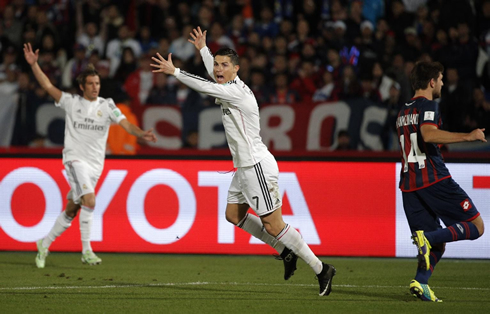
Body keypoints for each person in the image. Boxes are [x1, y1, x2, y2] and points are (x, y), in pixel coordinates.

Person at [151, 27, 336, 297]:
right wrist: (204, 50)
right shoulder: (229, 86)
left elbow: (205, 86)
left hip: (256, 166)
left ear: (237, 70)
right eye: (216, 64)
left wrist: (175, 72)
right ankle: (285, 251)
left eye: (225, 65)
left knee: (274, 225)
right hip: (244, 167)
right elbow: (213, 77)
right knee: (233, 215)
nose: (218, 69)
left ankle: (322, 269)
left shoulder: (236, 93)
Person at [23, 43, 157, 268]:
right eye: (91, 84)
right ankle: (86, 250)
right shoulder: (71, 102)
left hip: (95, 166)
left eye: (98, 83)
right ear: (82, 86)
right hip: (75, 160)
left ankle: (43, 244)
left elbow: (125, 124)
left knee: (72, 209)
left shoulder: (107, 106)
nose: (95, 87)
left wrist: (142, 133)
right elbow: (47, 85)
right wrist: (34, 65)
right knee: (90, 200)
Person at [396, 61, 486, 302]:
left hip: (409, 187)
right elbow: (428, 134)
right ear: (432, 81)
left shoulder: (403, 111)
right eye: (441, 78)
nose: (443, 83)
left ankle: (421, 282)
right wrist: (468, 136)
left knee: (436, 246)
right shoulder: (429, 105)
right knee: (477, 226)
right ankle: (428, 238)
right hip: (434, 180)